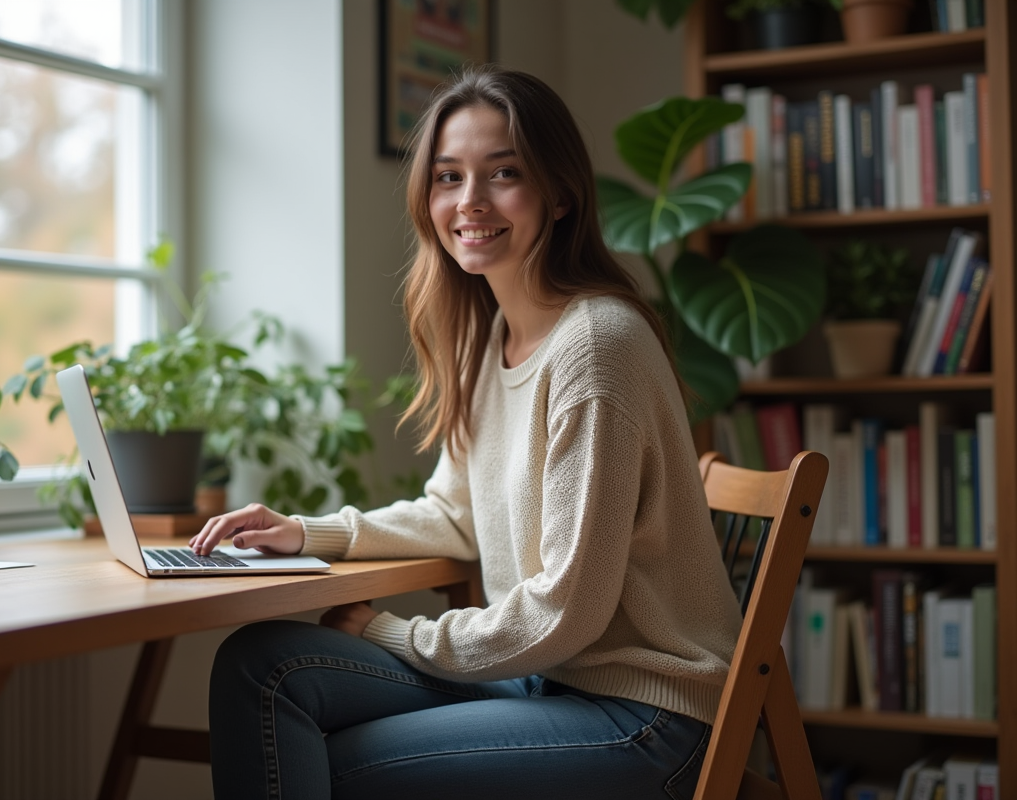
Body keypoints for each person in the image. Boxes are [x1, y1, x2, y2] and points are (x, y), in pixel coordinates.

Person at [191, 65, 743, 800]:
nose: (470, 202)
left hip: (644, 715)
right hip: (551, 680)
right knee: (261, 664)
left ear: (560, 193)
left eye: (503, 173)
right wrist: (304, 532)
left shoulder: (596, 347)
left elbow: (564, 611)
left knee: (335, 766)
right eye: (449, 176)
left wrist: (394, 633)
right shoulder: (496, 337)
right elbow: (455, 513)